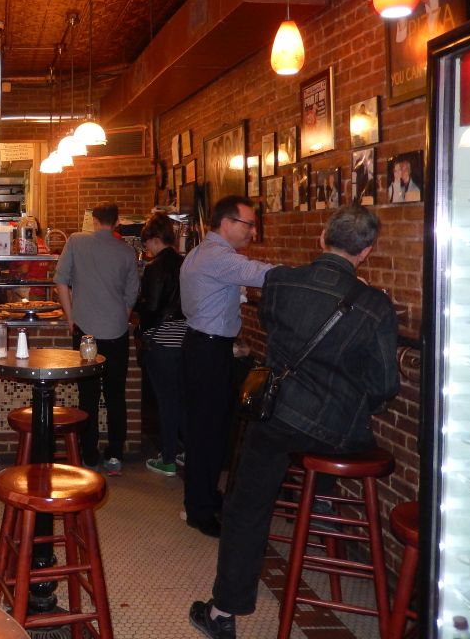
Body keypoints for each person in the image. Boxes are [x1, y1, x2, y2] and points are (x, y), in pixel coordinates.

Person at [189, 203, 399, 639]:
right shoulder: (376, 306)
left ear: (322, 238)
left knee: (246, 507)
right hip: (336, 431)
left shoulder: (282, 281)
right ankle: (319, 500)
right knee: (341, 442)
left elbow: (273, 328)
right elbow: (383, 386)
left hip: (279, 415)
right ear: (367, 252)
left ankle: (223, 613)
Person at [179, 195, 273, 537]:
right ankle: (200, 511)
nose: (252, 231)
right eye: (248, 224)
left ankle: (203, 498)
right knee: (208, 432)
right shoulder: (219, 257)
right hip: (207, 350)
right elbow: (263, 274)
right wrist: (319, 274)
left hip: (201, 347)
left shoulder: (200, 252)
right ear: (227, 223)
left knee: (208, 430)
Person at [54, 201, 140, 475]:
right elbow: (132, 293)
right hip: (116, 332)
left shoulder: (76, 241)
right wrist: (122, 316)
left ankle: (89, 455)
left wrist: (70, 317)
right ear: (117, 222)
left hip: (85, 331)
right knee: (116, 396)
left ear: (93, 220)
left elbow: (60, 280)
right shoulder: (127, 251)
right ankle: (115, 455)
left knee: (87, 396)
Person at [134, 213, 187, 477]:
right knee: (182, 398)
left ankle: (167, 458)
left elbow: (152, 307)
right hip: (185, 338)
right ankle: (185, 451)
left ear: (155, 239)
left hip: (162, 340)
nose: (146, 249)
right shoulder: (186, 263)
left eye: (147, 243)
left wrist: (137, 309)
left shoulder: (155, 268)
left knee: (166, 402)